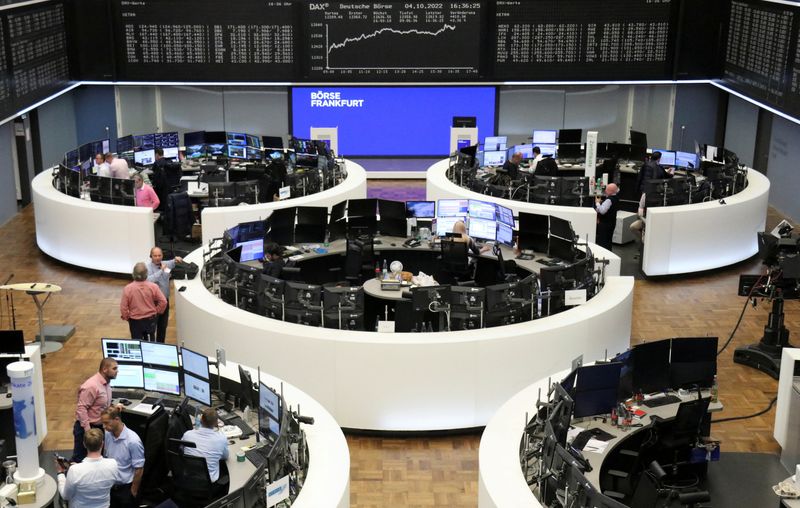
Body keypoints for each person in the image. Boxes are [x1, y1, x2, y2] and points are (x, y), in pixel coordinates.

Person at [71, 358, 120, 463]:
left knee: (96, 460)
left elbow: (101, 406)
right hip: (86, 429)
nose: (117, 371)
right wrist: (89, 432)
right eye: (114, 368)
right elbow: (81, 408)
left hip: (99, 428)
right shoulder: (91, 386)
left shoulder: (106, 384)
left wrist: (114, 407)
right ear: (105, 369)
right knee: (80, 460)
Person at [57, 428, 122, 508]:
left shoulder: (75, 470)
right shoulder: (113, 464)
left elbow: (65, 496)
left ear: (84, 444)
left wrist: (60, 474)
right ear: (102, 444)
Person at [101, 408, 145, 508]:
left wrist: (133, 491)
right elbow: (106, 455)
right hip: (110, 485)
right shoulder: (108, 433)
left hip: (125, 489)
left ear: (117, 419)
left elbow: (139, 469)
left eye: (106, 423)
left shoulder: (133, 441)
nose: (104, 426)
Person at [181, 408, 229, 491]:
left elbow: (181, 449)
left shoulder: (187, 435)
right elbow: (225, 457)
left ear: (201, 419)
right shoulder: (221, 439)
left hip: (188, 477)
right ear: (216, 423)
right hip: (209, 483)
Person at [120, 262, 167, 341]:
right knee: (150, 344)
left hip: (135, 321)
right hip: (150, 319)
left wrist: (127, 317)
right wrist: (157, 311)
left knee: (137, 343)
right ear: (146, 274)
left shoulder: (128, 289)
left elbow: (123, 307)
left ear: (133, 273)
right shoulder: (153, 286)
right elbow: (163, 301)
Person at [146, 246, 182, 343]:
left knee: (163, 327)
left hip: (165, 301)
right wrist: (161, 271)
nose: (158, 257)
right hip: (154, 303)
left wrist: (176, 259)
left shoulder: (165, 264)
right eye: (155, 256)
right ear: (151, 256)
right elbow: (149, 280)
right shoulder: (148, 268)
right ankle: (152, 345)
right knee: (152, 327)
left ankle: (161, 345)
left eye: (159, 255)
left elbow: (171, 262)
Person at [594, 183, 620, 251]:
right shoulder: (616, 198)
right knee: (608, 241)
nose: (605, 190)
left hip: (605, 224)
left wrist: (597, 203)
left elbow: (602, 211)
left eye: (607, 189)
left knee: (603, 242)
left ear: (610, 191)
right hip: (612, 223)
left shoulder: (609, 200)